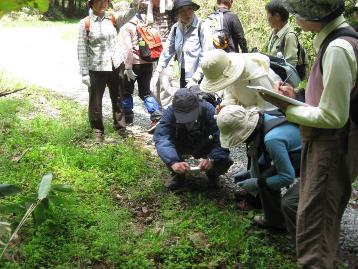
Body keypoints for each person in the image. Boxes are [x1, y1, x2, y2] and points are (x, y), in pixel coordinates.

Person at [260, 0, 358, 268]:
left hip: (331, 146)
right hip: (328, 144)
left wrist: (290, 111)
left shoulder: (338, 48)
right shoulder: (334, 41)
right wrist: (299, 97)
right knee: (313, 213)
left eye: (296, 12)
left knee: (314, 228)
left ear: (314, 15)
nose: (293, 16)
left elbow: (334, 116)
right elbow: (333, 99)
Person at [217, 105, 301, 230]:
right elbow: (264, 159)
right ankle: (274, 218)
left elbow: (287, 177)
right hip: (294, 157)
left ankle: (282, 223)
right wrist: (251, 173)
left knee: (266, 182)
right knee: (264, 175)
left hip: (309, 162)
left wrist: (258, 182)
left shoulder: (272, 139)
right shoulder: (265, 119)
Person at [77, 0, 139, 141]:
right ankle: (98, 130)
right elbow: (82, 49)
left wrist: (136, 3)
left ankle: (120, 127)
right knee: (95, 101)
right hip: (96, 68)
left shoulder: (112, 18)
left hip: (116, 65)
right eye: (99, 1)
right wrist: (84, 72)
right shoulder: (85, 23)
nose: (103, 3)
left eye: (105, 1)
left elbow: (130, 13)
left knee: (118, 98)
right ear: (91, 3)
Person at [153, 88, 232, 190]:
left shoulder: (209, 111)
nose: (186, 120)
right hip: (182, 143)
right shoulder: (170, 112)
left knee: (224, 160)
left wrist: (212, 159)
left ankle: (213, 175)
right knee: (168, 151)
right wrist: (173, 162)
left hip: (204, 143)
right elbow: (162, 138)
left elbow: (223, 137)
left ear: (197, 107)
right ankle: (178, 175)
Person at [151, 0, 214, 91]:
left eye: (189, 9)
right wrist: (157, 71)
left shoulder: (202, 27)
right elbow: (167, 51)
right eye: (183, 11)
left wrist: (196, 78)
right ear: (177, 13)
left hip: (201, 77)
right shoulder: (176, 28)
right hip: (184, 75)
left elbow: (207, 55)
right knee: (185, 103)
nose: (187, 14)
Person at [119, 12, 162, 130]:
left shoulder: (126, 28)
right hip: (148, 64)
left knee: (126, 91)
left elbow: (127, 50)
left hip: (133, 65)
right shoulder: (144, 25)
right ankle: (156, 117)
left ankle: (127, 117)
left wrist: (127, 68)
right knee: (146, 93)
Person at [200, 49, 280, 111]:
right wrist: (226, 106)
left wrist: (241, 112)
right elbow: (230, 91)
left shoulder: (256, 75)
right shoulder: (226, 72)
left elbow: (270, 108)